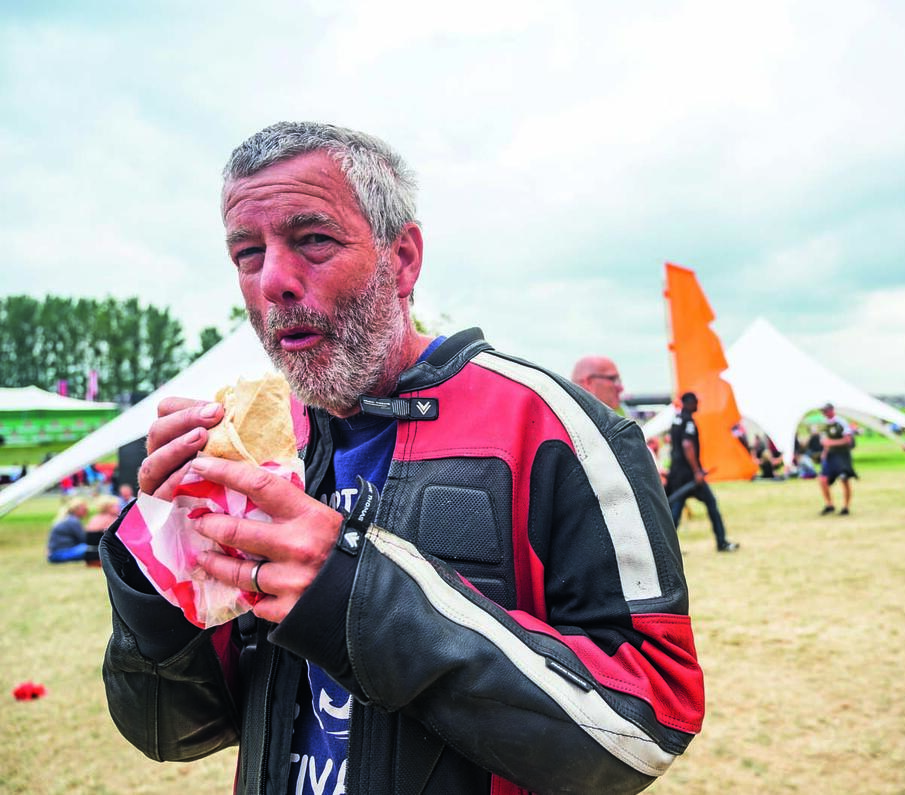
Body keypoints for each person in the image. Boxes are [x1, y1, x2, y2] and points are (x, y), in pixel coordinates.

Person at [99, 122, 702, 794]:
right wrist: (154, 573)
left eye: (314, 239)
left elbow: (647, 729)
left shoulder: (555, 425)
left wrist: (350, 594)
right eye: (247, 252)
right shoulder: (259, 448)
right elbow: (175, 729)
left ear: (403, 257)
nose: (273, 280)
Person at [665, 392, 738, 552]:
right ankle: (722, 542)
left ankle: (666, 549)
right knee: (709, 504)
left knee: (674, 511)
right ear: (689, 403)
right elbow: (687, 445)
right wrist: (697, 471)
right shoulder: (689, 421)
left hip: (677, 473)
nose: (698, 405)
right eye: (696, 402)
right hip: (688, 475)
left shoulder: (676, 420)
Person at [817, 403, 857, 515]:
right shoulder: (824, 424)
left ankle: (846, 507)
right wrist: (824, 451)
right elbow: (825, 440)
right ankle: (830, 504)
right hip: (830, 455)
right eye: (823, 411)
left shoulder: (841, 422)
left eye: (826, 411)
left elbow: (848, 440)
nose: (824, 413)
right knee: (823, 480)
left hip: (842, 455)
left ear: (831, 410)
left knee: (844, 479)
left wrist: (832, 443)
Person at [46, 497, 89, 563]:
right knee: (91, 549)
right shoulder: (73, 521)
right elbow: (84, 539)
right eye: (84, 509)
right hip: (59, 554)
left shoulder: (66, 519)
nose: (87, 511)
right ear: (75, 510)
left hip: (53, 554)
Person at [84, 495, 122, 568]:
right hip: (102, 558)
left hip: (89, 557)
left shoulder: (94, 518)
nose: (118, 508)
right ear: (107, 507)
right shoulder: (111, 519)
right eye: (115, 506)